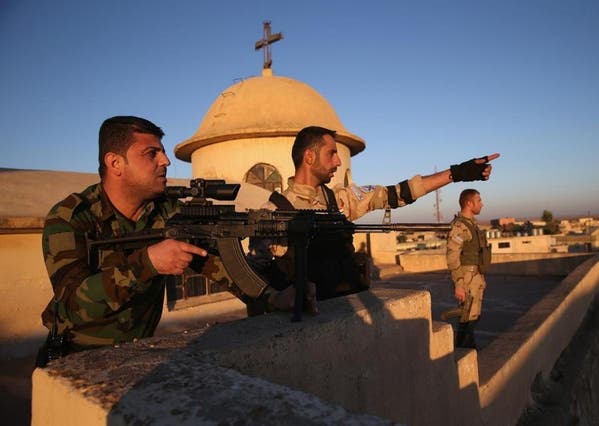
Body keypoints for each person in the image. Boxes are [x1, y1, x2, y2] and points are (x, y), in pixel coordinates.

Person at [36, 116, 231, 365]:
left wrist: (271, 296)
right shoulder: (71, 217)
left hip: (136, 356)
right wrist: (148, 263)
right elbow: (73, 306)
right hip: (75, 359)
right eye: (152, 153)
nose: (166, 161)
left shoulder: (168, 212)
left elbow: (216, 264)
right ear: (115, 162)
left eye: (162, 152)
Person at [249, 126, 499, 313]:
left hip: (348, 314)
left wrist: (456, 173)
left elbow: (396, 193)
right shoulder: (275, 211)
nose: (338, 161)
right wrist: (275, 298)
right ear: (309, 157)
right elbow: (253, 272)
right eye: (331, 153)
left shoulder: (340, 200)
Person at [445, 188, 491, 349]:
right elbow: (452, 256)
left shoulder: (472, 225)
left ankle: (468, 353)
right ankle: (462, 355)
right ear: (469, 203)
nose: (482, 204)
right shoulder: (460, 226)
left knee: (473, 318)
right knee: (467, 319)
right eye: (479, 200)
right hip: (467, 278)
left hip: (475, 277)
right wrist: (459, 283)